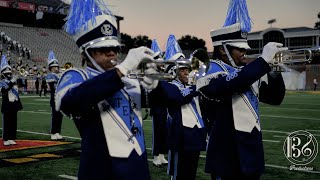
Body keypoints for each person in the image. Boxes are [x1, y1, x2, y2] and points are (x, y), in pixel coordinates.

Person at [54, 0, 158, 179]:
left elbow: (165, 103)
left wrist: (156, 83)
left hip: (137, 166)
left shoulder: (129, 77)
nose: (112, 53)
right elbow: (70, 102)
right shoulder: (76, 76)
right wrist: (121, 71)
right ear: (86, 53)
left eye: (115, 48)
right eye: (103, 49)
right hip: (101, 168)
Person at [198, 1, 287, 179]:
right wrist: (262, 62)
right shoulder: (209, 69)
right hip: (226, 153)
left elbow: (274, 98)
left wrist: (276, 72)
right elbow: (226, 86)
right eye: (240, 49)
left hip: (251, 151)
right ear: (223, 50)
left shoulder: (246, 73)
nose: (245, 53)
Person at [150, 34, 207, 180]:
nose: (187, 72)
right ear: (173, 72)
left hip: (194, 136)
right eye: (182, 70)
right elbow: (179, 98)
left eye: (187, 69)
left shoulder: (189, 85)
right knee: (179, 175)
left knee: (191, 173)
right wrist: (197, 85)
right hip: (180, 137)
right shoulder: (167, 85)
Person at [148, 39, 169, 167]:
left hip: (164, 107)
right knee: (157, 132)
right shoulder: (151, 73)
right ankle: (156, 156)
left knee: (164, 132)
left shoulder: (161, 73)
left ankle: (162, 154)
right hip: (156, 107)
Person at [0, 55, 23, 146]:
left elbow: (22, 86)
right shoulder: (1, 82)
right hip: (7, 104)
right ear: (2, 73)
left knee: (13, 122)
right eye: (7, 72)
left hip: (15, 104)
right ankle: (6, 138)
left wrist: (20, 77)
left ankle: (12, 138)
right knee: (7, 122)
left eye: (10, 72)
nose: (9, 74)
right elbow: (4, 90)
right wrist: (11, 82)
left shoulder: (13, 80)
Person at [46, 50, 64, 140]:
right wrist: (60, 77)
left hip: (60, 98)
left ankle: (57, 132)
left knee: (60, 116)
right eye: (54, 67)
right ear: (51, 68)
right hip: (54, 98)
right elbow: (53, 87)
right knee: (55, 115)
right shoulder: (50, 75)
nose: (56, 68)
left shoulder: (59, 75)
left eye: (56, 66)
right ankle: (53, 133)